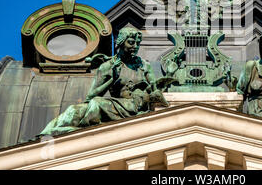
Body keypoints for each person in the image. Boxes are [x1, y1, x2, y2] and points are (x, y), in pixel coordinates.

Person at [39, 27, 169, 137]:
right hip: (119, 106)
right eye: (131, 42)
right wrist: (112, 78)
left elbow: (154, 87)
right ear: (122, 42)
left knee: (97, 104)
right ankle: (55, 132)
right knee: (74, 109)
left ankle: (84, 131)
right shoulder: (107, 67)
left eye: (137, 43)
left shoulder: (144, 65)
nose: (135, 46)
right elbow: (90, 97)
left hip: (138, 105)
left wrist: (169, 75)